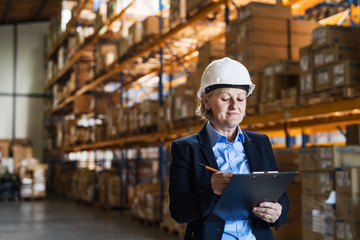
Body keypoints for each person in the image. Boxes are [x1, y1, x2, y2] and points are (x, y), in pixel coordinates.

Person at [169, 57, 289, 240]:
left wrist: (278, 211)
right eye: (225, 98)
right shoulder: (186, 149)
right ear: (206, 101)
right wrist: (211, 191)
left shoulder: (260, 142)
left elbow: (280, 194)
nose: (235, 106)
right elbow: (179, 211)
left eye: (240, 98)